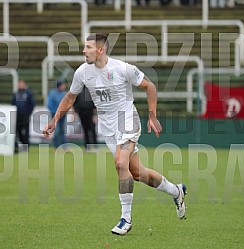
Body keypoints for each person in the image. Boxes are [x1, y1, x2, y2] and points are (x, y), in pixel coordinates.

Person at [43, 33, 187, 235]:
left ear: (100, 50)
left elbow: (149, 86)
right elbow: (70, 96)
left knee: (120, 164)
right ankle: (176, 190)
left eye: (88, 47)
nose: (84, 51)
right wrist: (55, 119)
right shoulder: (82, 72)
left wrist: (152, 116)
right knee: (138, 173)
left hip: (127, 120)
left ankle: (125, 219)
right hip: (108, 127)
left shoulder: (122, 68)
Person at [11, 79, 35, 152]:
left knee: (25, 134)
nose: (20, 85)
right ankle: (17, 148)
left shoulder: (28, 94)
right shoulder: (16, 94)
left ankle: (25, 149)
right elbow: (12, 104)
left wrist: (29, 114)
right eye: (19, 84)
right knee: (17, 133)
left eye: (21, 84)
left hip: (25, 117)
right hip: (17, 117)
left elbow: (32, 105)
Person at [73, 86, 98, 151]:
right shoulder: (79, 91)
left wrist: (95, 115)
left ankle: (95, 146)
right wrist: (75, 112)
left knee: (92, 129)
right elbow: (75, 102)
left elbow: (95, 103)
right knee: (85, 130)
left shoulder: (91, 90)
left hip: (90, 112)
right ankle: (87, 146)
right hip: (81, 112)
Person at [47, 79, 68, 149]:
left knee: (62, 130)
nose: (64, 86)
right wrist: (55, 112)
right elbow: (49, 104)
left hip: (63, 114)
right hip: (55, 114)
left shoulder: (64, 93)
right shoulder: (52, 93)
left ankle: (64, 146)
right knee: (57, 130)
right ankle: (56, 146)